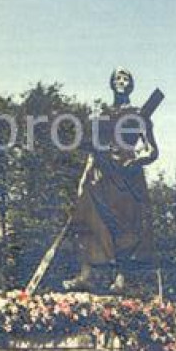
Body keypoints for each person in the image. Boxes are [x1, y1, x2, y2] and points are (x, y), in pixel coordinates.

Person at [65, 68, 158, 294]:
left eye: (125, 79)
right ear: (111, 83)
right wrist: (83, 178)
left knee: (124, 223)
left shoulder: (140, 115)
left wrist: (136, 161)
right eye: (117, 78)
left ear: (131, 85)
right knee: (88, 215)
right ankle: (85, 275)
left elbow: (153, 150)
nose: (121, 82)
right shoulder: (103, 116)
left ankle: (121, 279)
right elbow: (92, 150)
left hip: (126, 174)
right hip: (101, 171)